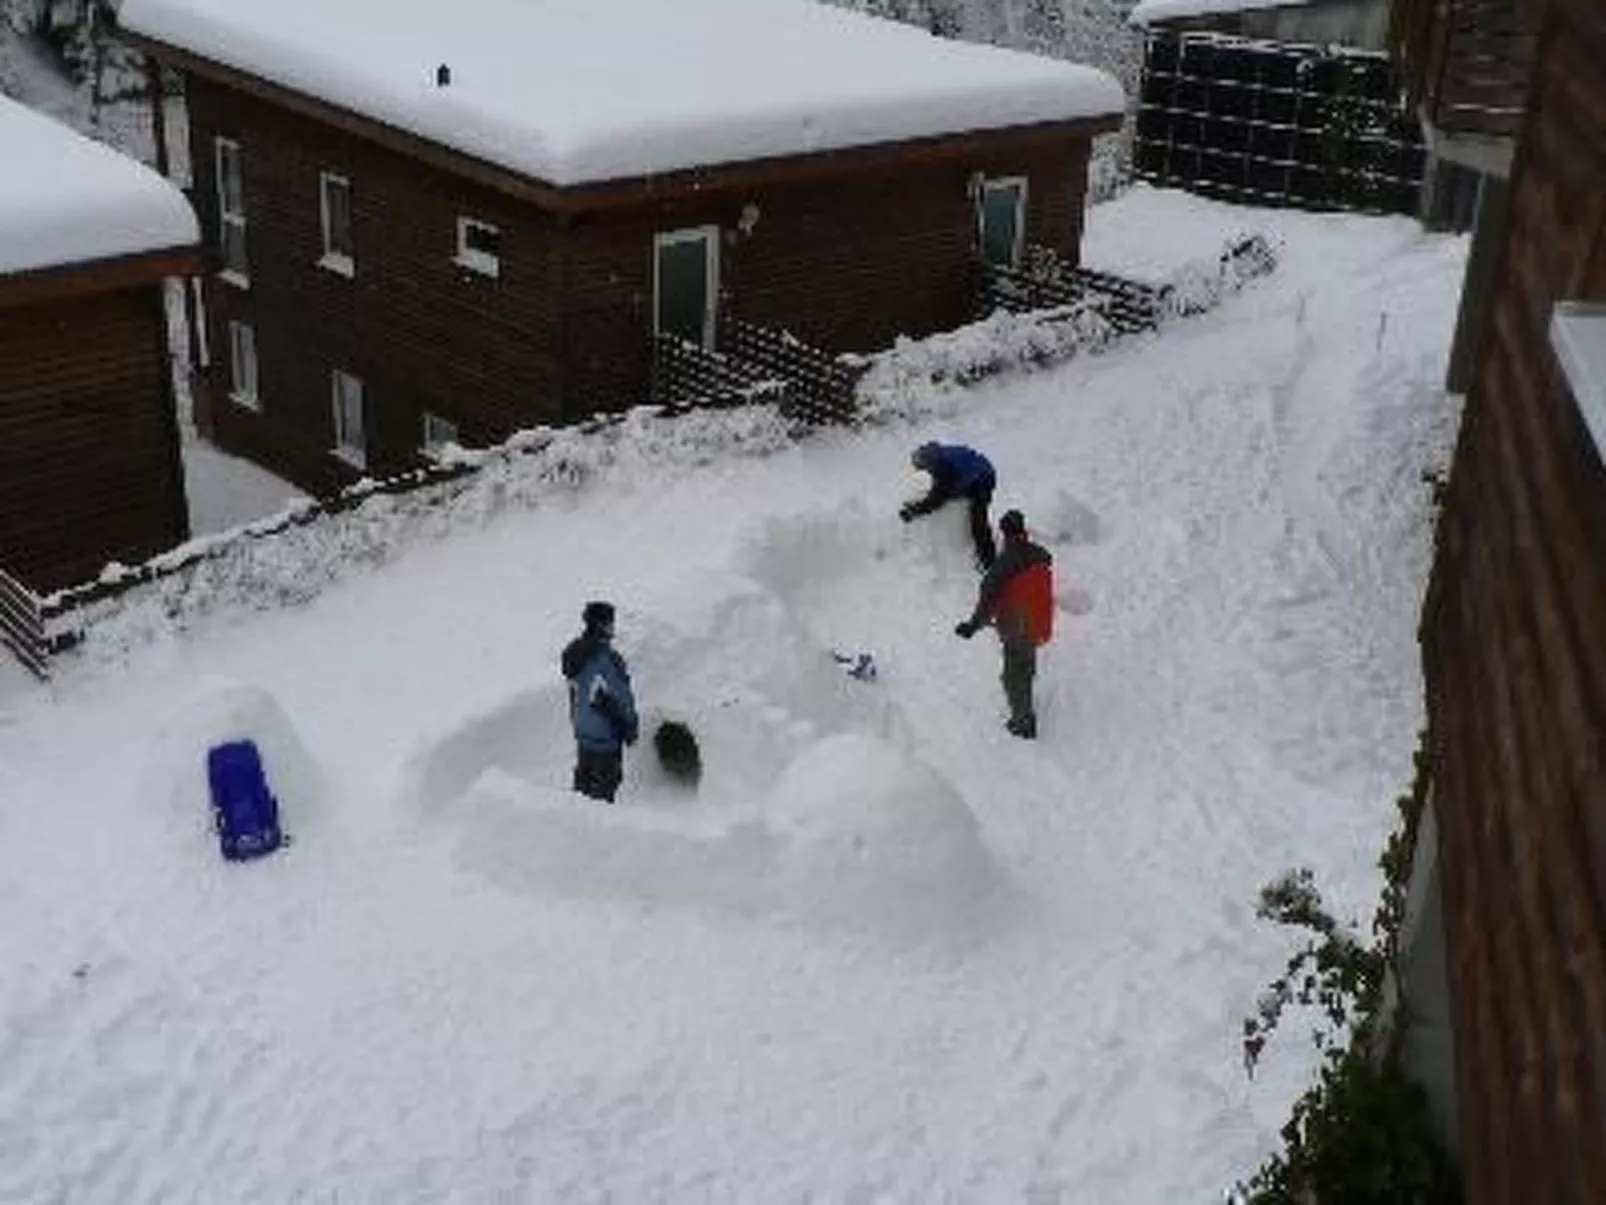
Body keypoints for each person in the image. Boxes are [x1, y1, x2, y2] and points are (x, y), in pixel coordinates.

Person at [954, 510, 1054, 739]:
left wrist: (971, 626)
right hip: (1039, 623)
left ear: (1004, 532)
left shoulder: (1003, 567)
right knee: (1026, 665)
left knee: (1013, 678)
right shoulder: (1039, 554)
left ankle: (1023, 724)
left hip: (1018, 629)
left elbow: (987, 603)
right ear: (1023, 530)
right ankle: (1026, 698)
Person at [561, 600, 639, 802]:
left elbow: (575, 693)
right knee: (602, 805)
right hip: (606, 739)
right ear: (602, 625)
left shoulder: (574, 653)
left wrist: (577, 724)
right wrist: (630, 727)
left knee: (580, 797)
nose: (614, 626)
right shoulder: (607, 659)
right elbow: (622, 697)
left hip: (583, 734)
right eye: (611, 622)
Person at [899, 441, 998, 570]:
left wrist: (914, 511)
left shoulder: (942, 465)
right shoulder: (937, 455)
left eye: (922, 468)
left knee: (978, 523)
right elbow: (941, 487)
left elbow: (938, 498)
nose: (924, 471)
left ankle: (989, 562)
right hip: (974, 472)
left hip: (984, 478)